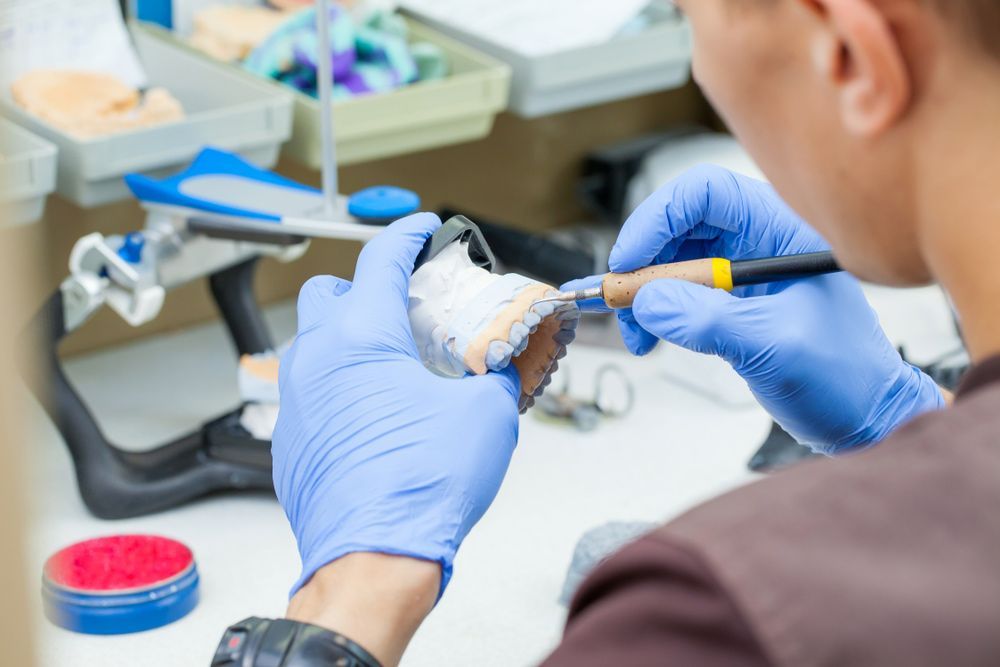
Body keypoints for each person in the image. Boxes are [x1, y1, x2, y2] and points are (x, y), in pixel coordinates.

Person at [212, 1, 1000, 665]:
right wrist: (914, 423)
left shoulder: (701, 621)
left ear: (854, 58)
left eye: (692, 15)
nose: (700, 68)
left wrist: (350, 594)